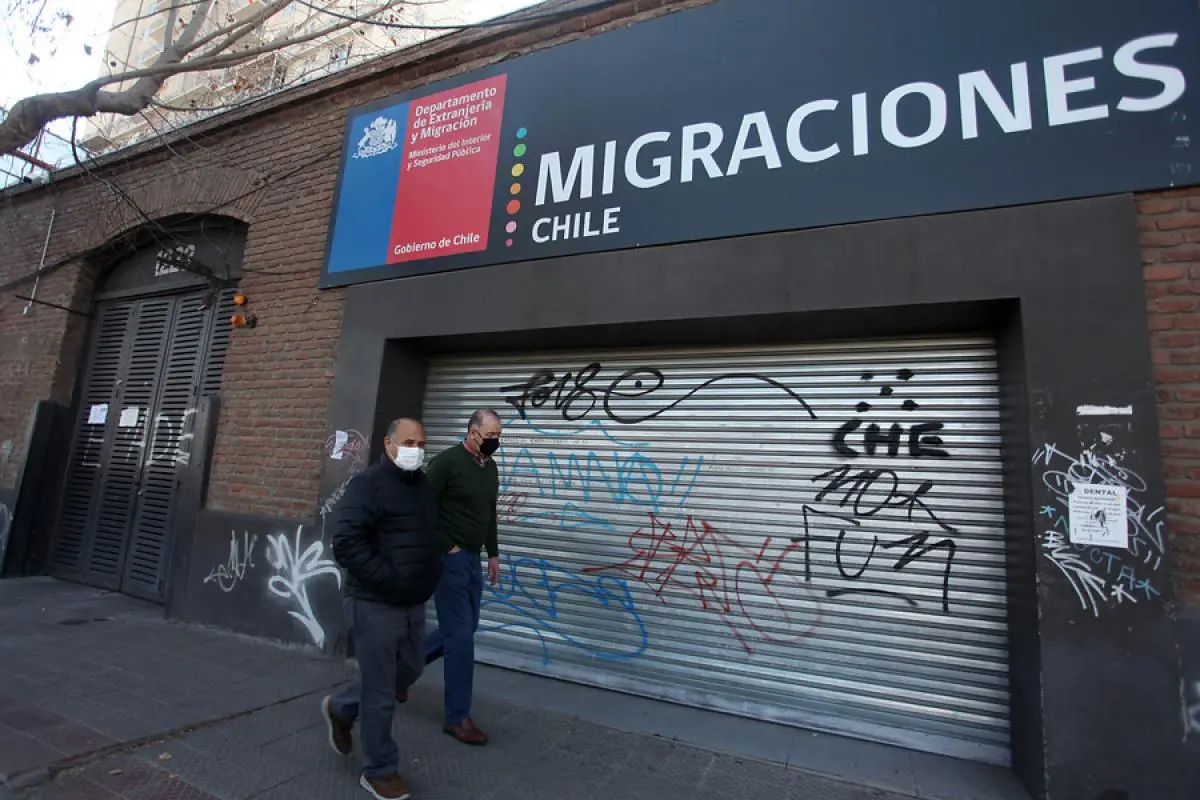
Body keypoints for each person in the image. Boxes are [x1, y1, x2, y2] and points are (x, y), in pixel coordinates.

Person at [321, 418, 442, 800]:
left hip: (412, 601)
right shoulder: (368, 484)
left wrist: (429, 574)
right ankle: (379, 769)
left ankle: (341, 707)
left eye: (422, 443)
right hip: (374, 602)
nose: (416, 449)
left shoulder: (422, 485)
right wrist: (388, 579)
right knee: (380, 689)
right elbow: (346, 543)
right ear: (389, 445)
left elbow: (425, 535)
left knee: (409, 669)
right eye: (409, 442)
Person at [422, 408, 502, 746]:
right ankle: (458, 718)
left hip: (472, 559)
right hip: (449, 558)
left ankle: (398, 668)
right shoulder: (446, 463)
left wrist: (493, 552)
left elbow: (489, 511)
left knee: (464, 628)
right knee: (460, 637)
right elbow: (422, 508)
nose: (495, 442)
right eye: (490, 436)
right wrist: (446, 545)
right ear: (472, 433)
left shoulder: (491, 468)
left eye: (499, 436)